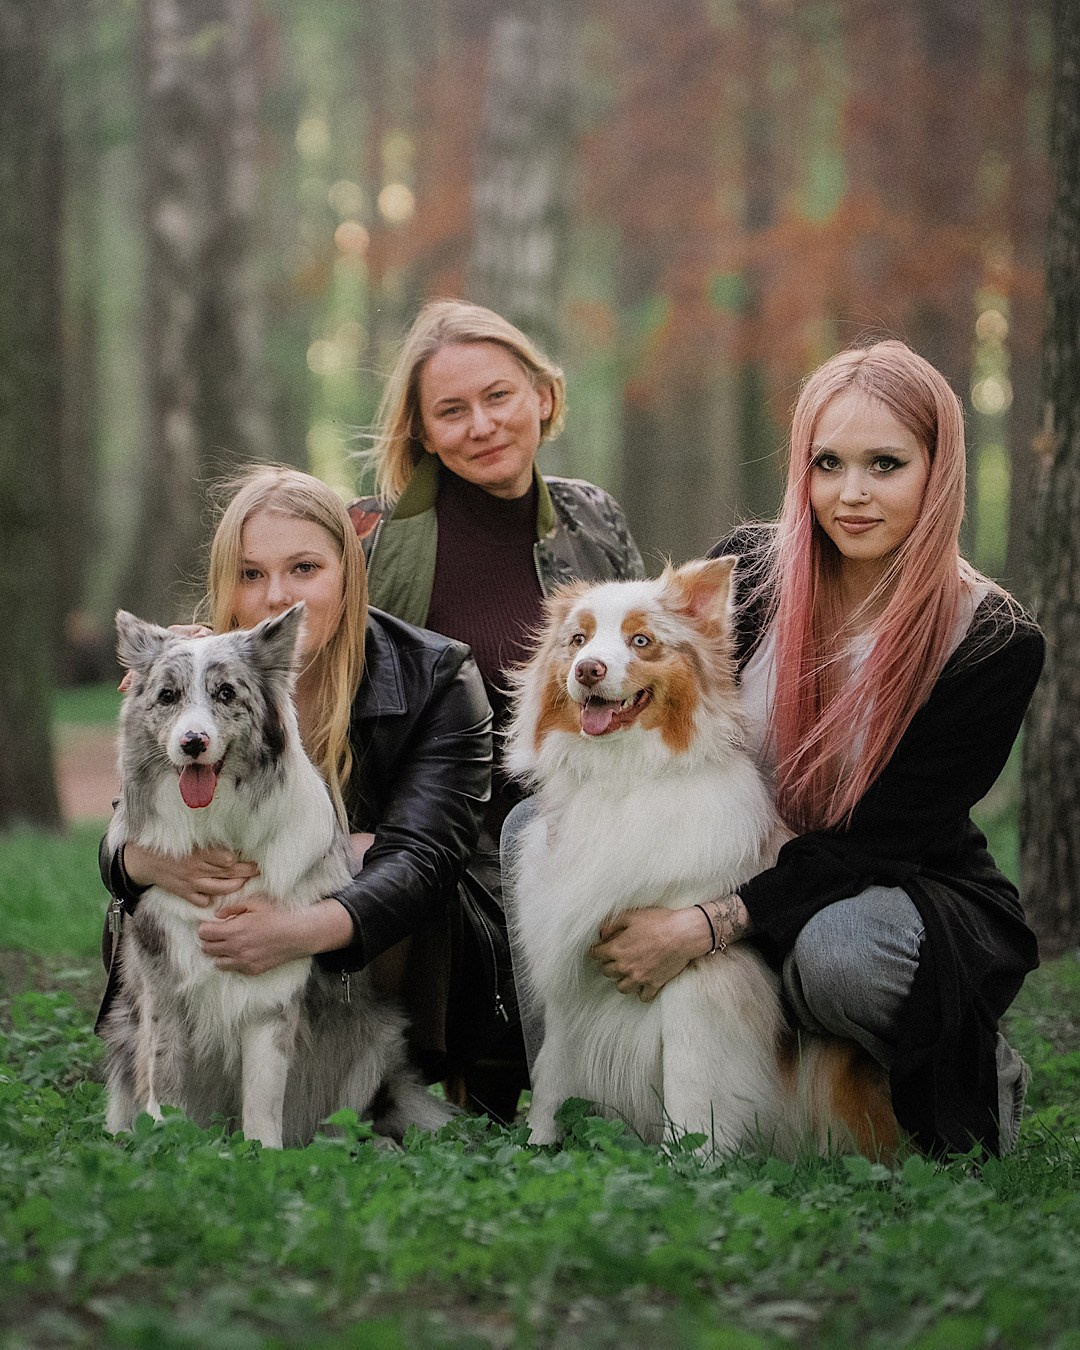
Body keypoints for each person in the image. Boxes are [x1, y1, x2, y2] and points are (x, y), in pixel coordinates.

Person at [585, 339, 1043, 1158]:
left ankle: (964, 1069)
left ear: (938, 471)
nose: (851, 494)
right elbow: (670, 723)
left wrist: (705, 926)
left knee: (836, 955)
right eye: (827, 463)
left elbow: (882, 842)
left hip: (884, 884)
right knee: (535, 839)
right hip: (729, 847)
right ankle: (593, 1109)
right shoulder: (753, 571)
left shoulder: (992, 640)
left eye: (885, 464)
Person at [99, 466, 493, 1092]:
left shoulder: (439, 676)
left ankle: (361, 1094)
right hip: (209, 942)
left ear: (349, 573)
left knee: (361, 852)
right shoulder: (186, 673)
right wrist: (139, 862)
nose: (277, 595)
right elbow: (130, 823)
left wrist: (299, 930)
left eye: (304, 568)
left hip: (373, 946)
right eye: (251, 574)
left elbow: (425, 858)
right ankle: (191, 1087)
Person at [350, 299, 645, 1116]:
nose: (481, 426)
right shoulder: (369, 536)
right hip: (436, 836)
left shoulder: (592, 518)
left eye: (499, 396)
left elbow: (646, 658)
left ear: (542, 396)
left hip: (585, 822)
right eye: (452, 410)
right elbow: (272, 627)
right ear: (422, 430)